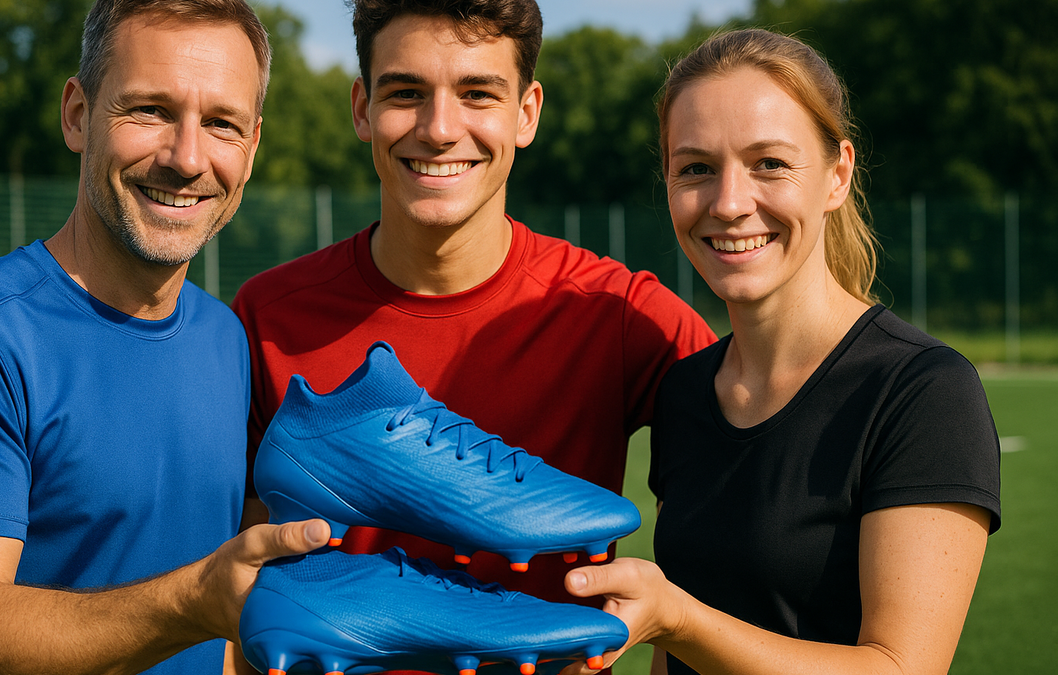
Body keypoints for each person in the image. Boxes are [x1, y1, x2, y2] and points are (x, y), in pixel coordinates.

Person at [0, 1, 328, 674]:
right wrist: (190, 602)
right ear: (78, 114)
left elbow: (228, 624)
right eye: (149, 110)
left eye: (222, 123)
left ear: (253, 146)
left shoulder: (227, 338)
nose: (187, 156)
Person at [231, 0, 714, 627]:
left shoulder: (620, 314)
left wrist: (671, 627)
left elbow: (766, 486)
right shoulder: (267, 318)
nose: (438, 128)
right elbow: (233, 592)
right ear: (362, 109)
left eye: (477, 93)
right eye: (406, 92)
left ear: (527, 112)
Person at [562, 28, 1002, 675]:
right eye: (696, 168)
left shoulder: (922, 390)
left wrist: (679, 617)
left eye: (769, 163)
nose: (730, 202)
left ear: (837, 175)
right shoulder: (683, 393)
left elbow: (901, 667)